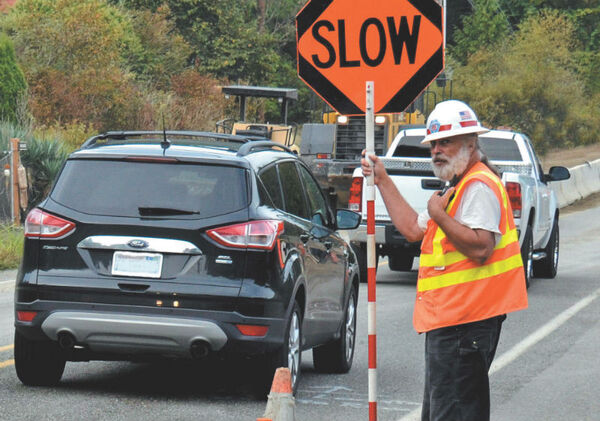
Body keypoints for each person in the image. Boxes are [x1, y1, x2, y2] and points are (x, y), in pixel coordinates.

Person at [361, 100, 528, 421]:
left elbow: (481, 247)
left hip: (466, 323)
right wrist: (382, 179)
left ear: (470, 143)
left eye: (445, 142)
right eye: (434, 144)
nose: (437, 150)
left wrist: (438, 213)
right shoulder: (458, 186)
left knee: (453, 413)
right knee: (443, 411)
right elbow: (412, 228)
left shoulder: (478, 186)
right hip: (453, 322)